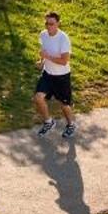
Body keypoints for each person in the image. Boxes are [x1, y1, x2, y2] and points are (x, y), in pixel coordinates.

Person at [33, 10, 75, 139]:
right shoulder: (43, 35)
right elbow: (44, 52)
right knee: (38, 98)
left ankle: (71, 125)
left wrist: (47, 57)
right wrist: (41, 62)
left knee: (64, 105)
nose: (48, 26)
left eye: (51, 23)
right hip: (47, 74)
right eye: (47, 23)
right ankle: (48, 122)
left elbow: (64, 61)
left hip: (62, 76)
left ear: (58, 24)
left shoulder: (63, 38)